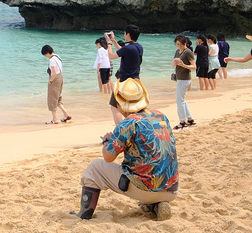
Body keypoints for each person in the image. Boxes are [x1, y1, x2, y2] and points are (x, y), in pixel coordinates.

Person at [72, 78, 178, 221]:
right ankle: (156, 206)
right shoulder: (160, 116)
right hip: (171, 188)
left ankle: (84, 213)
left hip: (145, 188)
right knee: (145, 194)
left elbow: (108, 157)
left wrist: (106, 141)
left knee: (95, 167)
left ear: (120, 104)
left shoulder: (127, 124)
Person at [106, 25, 143, 125]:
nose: (124, 35)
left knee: (114, 107)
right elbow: (122, 52)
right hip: (135, 82)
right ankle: (137, 125)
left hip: (124, 83)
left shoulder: (128, 49)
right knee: (128, 109)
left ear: (128, 34)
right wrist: (114, 41)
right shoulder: (138, 47)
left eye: (124, 33)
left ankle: (120, 131)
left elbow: (111, 56)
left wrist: (108, 43)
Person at [171, 35, 197, 130]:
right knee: (182, 100)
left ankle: (182, 122)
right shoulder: (178, 51)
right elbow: (173, 63)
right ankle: (189, 119)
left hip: (185, 78)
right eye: (177, 44)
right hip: (179, 78)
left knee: (179, 100)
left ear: (185, 43)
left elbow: (194, 67)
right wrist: (175, 63)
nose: (179, 46)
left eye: (181, 44)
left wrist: (183, 65)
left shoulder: (188, 52)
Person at [41, 45, 72, 124]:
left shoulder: (52, 60)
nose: (46, 56)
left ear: (47, 53)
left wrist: (50, 81)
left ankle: (55, 119)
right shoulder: (58, 56)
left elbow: (54, 73)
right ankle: (66, 114)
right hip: (60, 78)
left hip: (54, 79)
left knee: (52, 99)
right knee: (57, 98)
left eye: (45, 55)